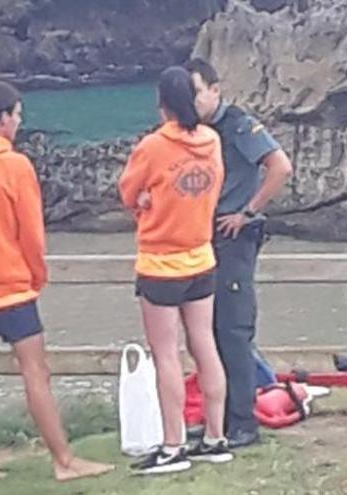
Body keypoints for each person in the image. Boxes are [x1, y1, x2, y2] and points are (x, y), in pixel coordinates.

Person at [0, 80, 114, 486]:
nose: (19, 122)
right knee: (35, 371)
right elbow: (31, 231)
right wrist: (36, 275)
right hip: (11, 287)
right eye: (17, 115)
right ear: (4, 117)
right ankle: (63, 459)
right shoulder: (13, 165)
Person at [119, 66, 233, 475]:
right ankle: (217, 436)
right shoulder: (212, 140)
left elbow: (127, 192)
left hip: (160, 261)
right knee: (205, 345)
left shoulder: (152, 146)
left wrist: (147, 200)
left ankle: (173, 444)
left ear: (161, 103)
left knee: (167, 354)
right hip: (201, 255)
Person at [183, 57, 294, 448]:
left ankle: (243, 422)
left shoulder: (238, 125)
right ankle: (219, 418)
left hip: (234, 237)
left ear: (215, 89)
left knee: (233, 329)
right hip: (201, 238)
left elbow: (280, 166)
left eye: (196, 92)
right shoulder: (190, 132)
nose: (192, 101)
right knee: (206, 332)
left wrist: (248, 212)